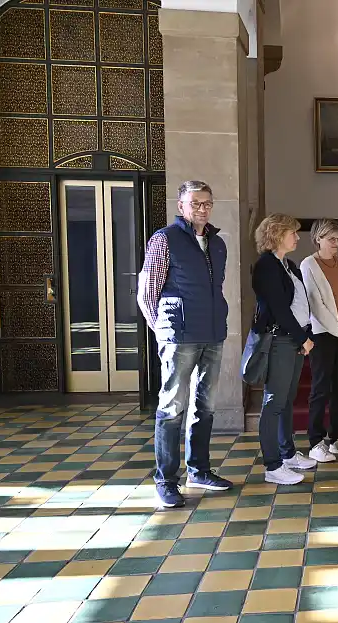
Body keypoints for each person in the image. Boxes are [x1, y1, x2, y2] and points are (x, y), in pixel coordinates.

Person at [137, 180, 233, 508]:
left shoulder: (217, 243)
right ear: (181, 206)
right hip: (178, 336)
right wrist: (164, 330)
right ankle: (165, 480)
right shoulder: (165, 240)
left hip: (212, 334)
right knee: (172, 407)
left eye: (207, 203)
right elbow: (148, 292)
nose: (202, 209)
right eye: (195, 203)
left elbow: (216, 287)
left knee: (204, 406)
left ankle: (199, 470)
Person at [251, 215, 319, 485]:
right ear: (277, 234)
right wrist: (302, 337)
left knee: (287, 400)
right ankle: (272, 465)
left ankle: (287, 453)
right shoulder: (266, 266)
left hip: (294, 338)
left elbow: (301, 303)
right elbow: (279, 309)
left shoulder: (287, 264)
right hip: (280, 339)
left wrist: (306, 334)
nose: (297, 237)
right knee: (274, 402)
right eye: (293, 232)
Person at [300, 218, 338, 462]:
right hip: (324, 332)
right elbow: (317, 305)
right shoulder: (308, 265)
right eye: (331, 239)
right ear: (318, 239)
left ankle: (337, 438)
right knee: (320, 388)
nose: (336, 243)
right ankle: (316, 441)